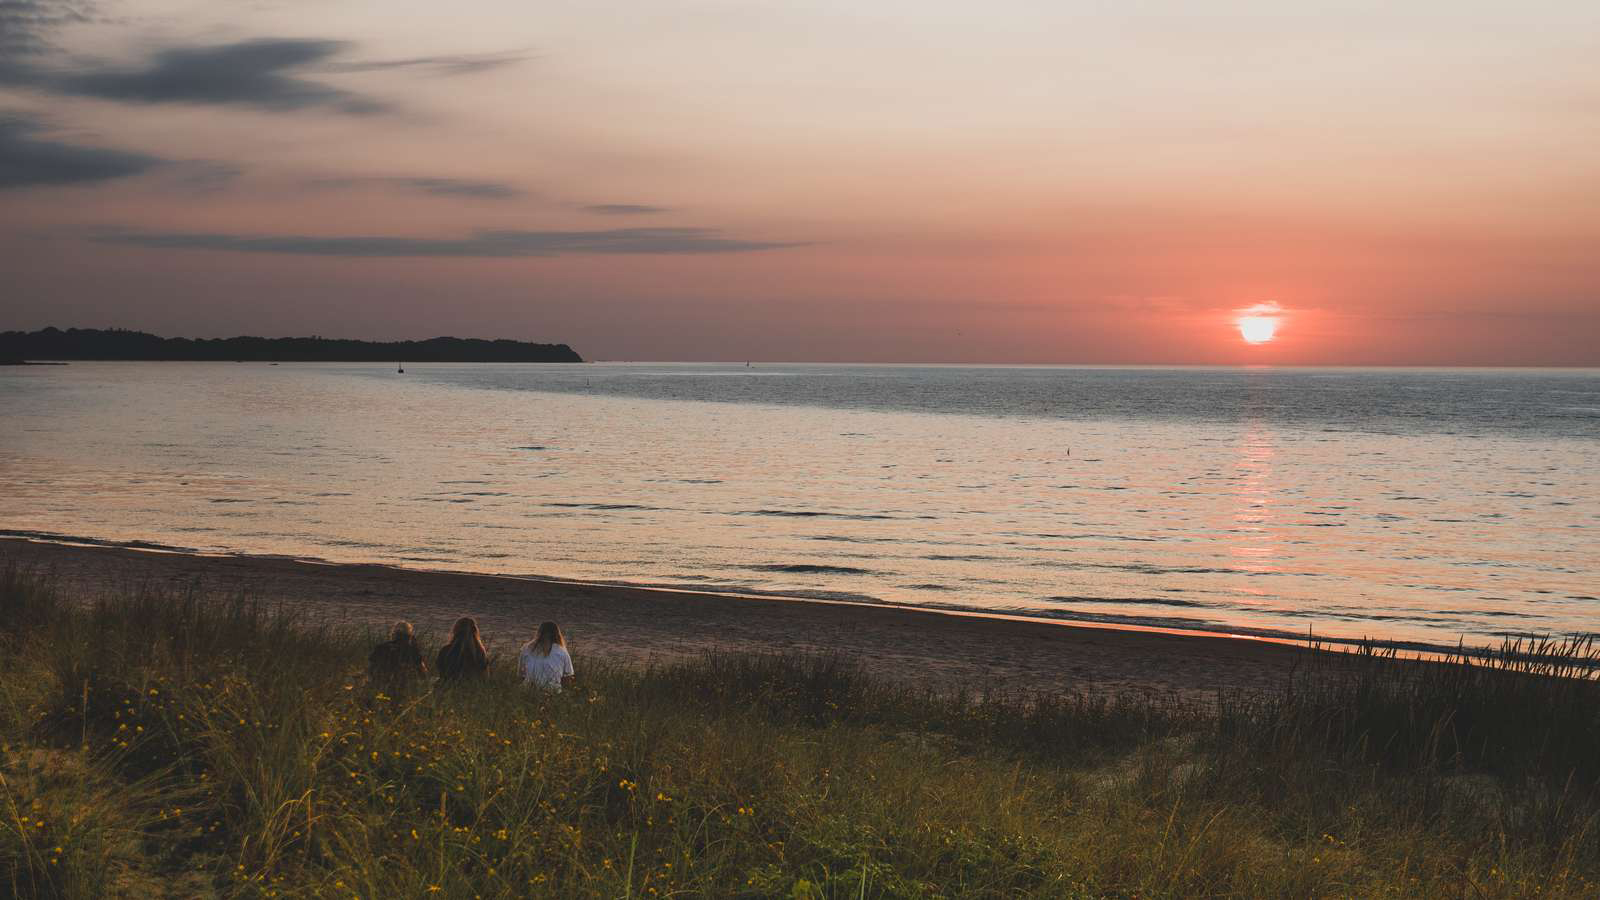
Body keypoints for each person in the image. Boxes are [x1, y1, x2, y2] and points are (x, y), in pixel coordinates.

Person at [518, 621, 575, 691]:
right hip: (553, 692)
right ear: (557, 634)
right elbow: (567, 678)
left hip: (529, 690)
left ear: (539, 633)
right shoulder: (562, 651)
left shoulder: (526, 649)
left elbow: (521, 675)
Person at [368, 620, 427, 685]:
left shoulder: (381, 647)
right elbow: (423, 673)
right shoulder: (413, 650)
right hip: (403, 686)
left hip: (380, 684)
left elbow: (371, 668)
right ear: (409, 636)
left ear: (394, 634)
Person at [435, 616, 489, 681]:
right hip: (472, 689)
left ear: (455, 631)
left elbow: (441, 672)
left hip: (447, 687)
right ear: (474, 631)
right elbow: (485, 677)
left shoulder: (446, 650)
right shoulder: (480, 653)